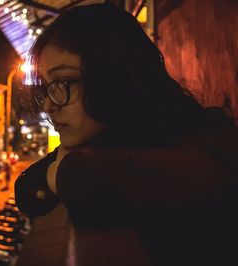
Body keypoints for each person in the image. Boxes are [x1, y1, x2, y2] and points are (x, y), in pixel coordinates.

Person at [14, 3, 238, 266]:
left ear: (115, 75)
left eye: (62, 83)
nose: (49, 105)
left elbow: (80, 178)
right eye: (46, 88)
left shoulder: (208, 148)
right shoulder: (118, 136)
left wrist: (60, 171)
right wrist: (58, 172)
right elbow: (27, 190)